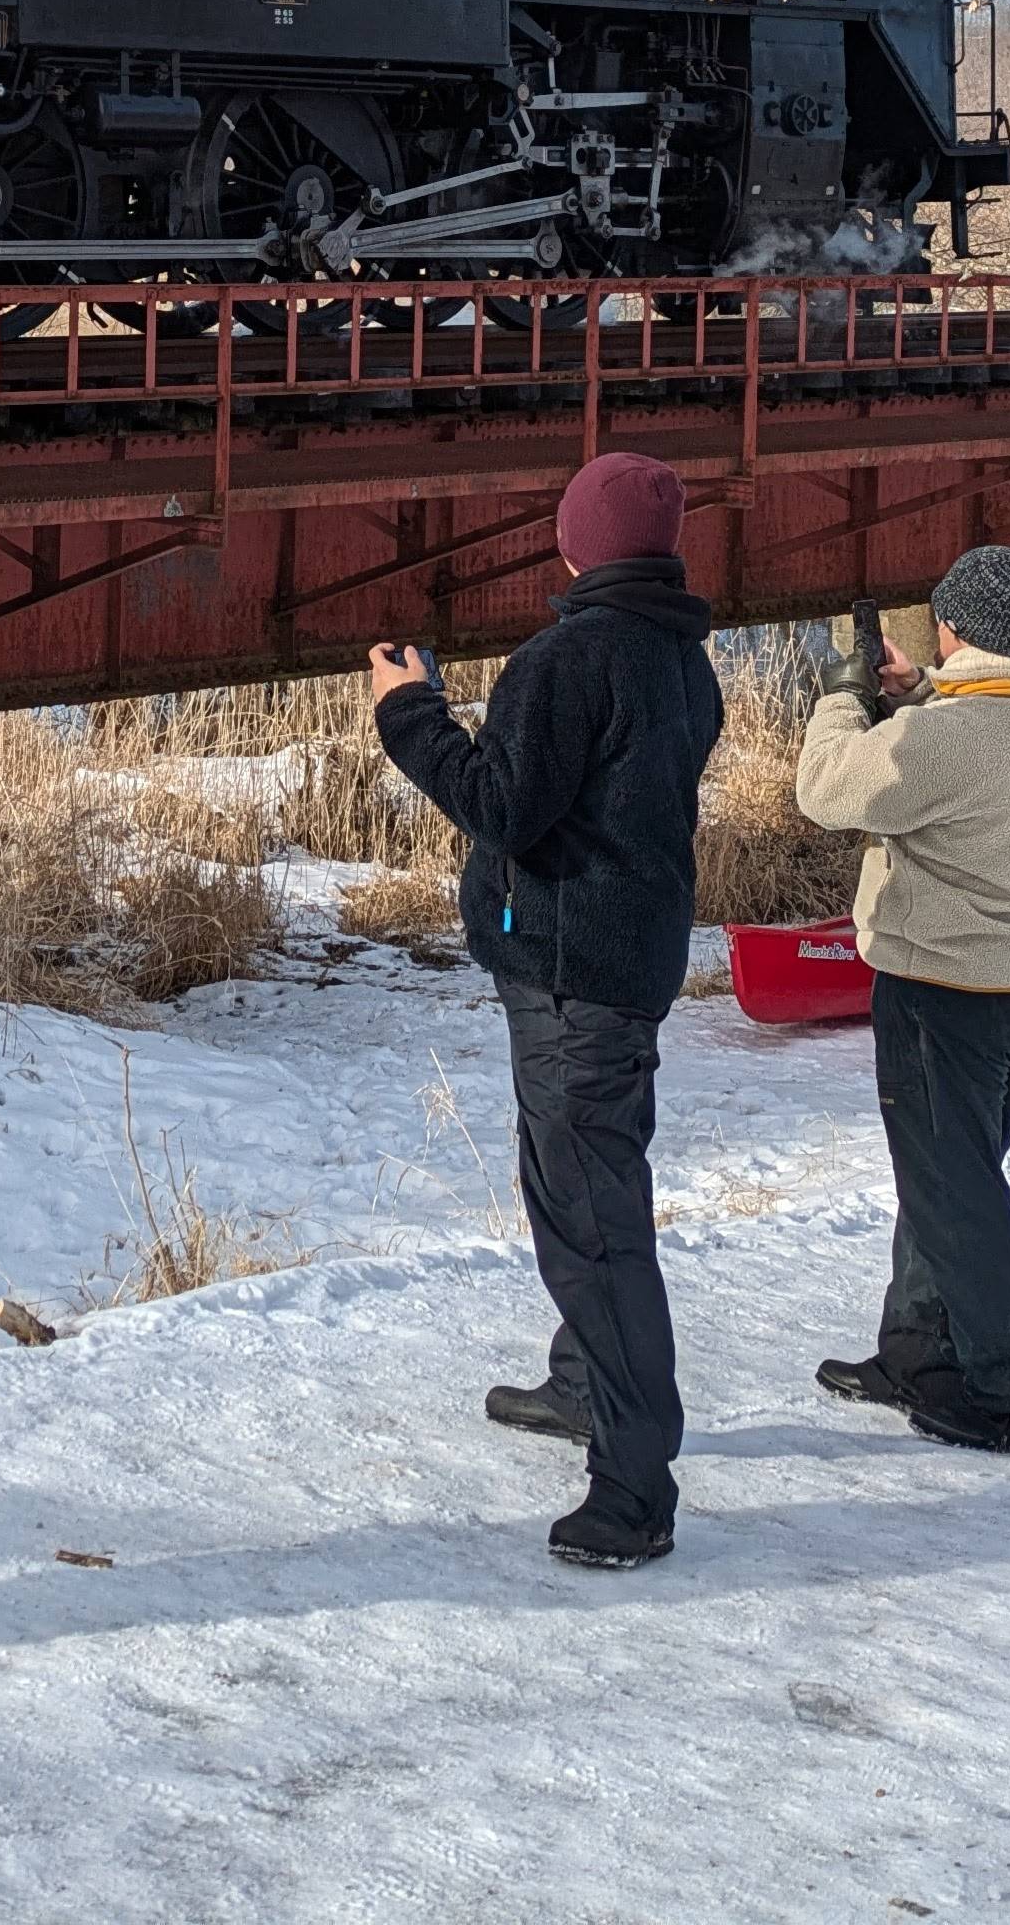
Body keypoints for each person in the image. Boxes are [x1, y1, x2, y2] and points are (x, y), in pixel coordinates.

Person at [366, 450, 725, 1570]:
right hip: (618, 961)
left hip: (574, 977)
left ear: (574, 543)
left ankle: (633, 1487)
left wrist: (406, 709)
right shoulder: (679, 654)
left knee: (593, 1224)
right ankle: (583, 1382)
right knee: (585, 1186)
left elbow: (499, 805)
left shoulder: (566, 658)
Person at [792, 544, 1010, 1456]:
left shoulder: (951, 738)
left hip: (938, 997)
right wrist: (924, 684)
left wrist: (846, 694)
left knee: (959, 1202)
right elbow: (970, 739)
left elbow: (826, 790)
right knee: (945, 1188)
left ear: (960, 629)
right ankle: (914, 1355)